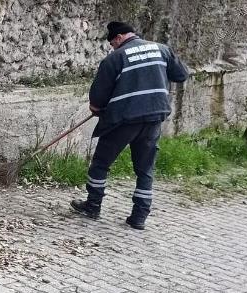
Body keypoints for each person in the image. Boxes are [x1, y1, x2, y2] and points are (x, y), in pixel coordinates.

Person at [70, 21, 188, 229]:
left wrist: (97, 109)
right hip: (154, 117)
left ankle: (93, 206)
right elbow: (181, 75)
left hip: (124, 120)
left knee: (101, 163)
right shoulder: (162, 49)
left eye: (112, 43)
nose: (113, 47)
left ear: (118, 38)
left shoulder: (115, 58)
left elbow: (97, 99)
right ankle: (139, 217)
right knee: (145, 169)